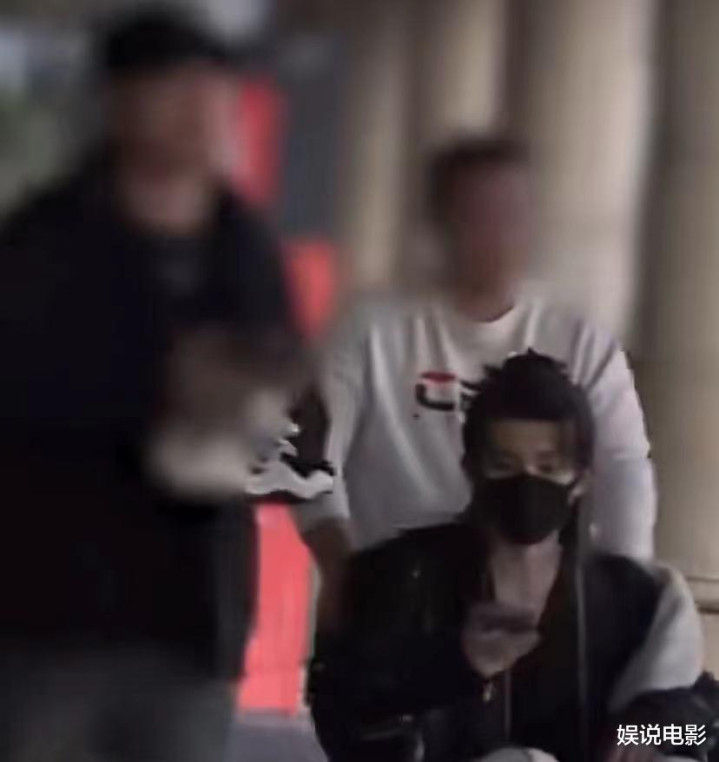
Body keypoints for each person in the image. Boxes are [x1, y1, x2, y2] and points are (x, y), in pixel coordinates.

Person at [0, 6, 303, 760]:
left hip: (192, 618)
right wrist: (160, 392)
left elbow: (280, 386)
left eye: (214, 93)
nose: (201, 113)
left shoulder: (245, 245)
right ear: (118, 103)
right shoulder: (42, 241)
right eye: (175, 90)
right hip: (52, 614)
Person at [283, 136, 656, 634]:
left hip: (535, 604)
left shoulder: (579, 338)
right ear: (439, 224)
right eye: (478, 215)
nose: (498, 235)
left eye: (513, 215)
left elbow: (624, 466)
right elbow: (309, 454)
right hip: (396, 600)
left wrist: (624, 581)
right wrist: (341, 565)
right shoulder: (372, 329)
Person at [307, 352, 708, 762]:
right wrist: (457, 664)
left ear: (580, 481)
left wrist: (648, 728)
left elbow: (702, 729)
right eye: (504, 465)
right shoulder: (404, 577)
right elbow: (341, 717)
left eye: (547, 467)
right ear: (473, 470)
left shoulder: (631, 598)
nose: (526, 483)